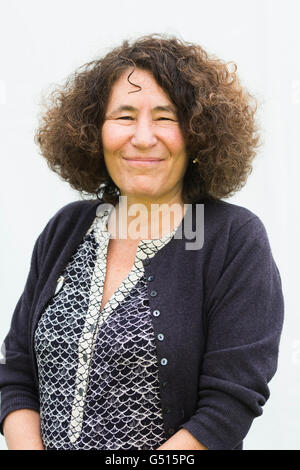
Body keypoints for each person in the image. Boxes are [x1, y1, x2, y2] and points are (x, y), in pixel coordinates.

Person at [0, 34, 284, 450]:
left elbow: (227, 406)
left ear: (199, 135)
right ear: (93, 131)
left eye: (166, 118)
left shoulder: (232, 239)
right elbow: (16, 373)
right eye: (125, 116)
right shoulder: (66, 229)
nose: (144, 137)